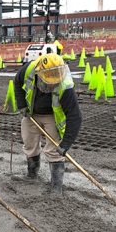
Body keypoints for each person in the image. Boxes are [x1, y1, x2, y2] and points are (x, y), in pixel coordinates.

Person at [13, 53, 82, 194]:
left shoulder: (65, 85)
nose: (52, 83)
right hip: (32, 113)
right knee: (29, 143)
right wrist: (22, 105)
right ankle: (31, 174)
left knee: (55, 150)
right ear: (39, 73)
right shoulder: (28, 69)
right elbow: (17, 83)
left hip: (52, 116)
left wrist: (66, 144)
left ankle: (56, 187)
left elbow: (75, 116)